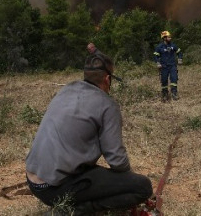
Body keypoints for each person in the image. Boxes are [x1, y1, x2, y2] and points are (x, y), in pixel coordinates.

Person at [25, 53, 153, 215]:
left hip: (33, 182)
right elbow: (117, 160)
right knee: (142, 187)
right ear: (107, 79)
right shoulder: (107, 105)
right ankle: (72, 211)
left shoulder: (66, 90)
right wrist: (128, 180)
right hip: (55, 188)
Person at [154, 31, 183, 101]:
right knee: (164, 81)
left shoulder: (173, 45)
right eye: (168, 37)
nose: (170, 38)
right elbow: (156, 56)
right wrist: (158, 63)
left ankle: (174, 93)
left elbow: (179, 52)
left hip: (172, 65)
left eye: (170, 37)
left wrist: (180, 59)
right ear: (164, 38)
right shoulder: (159, 47)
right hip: (164, 67)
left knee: (174, 79)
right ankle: (164, 94)